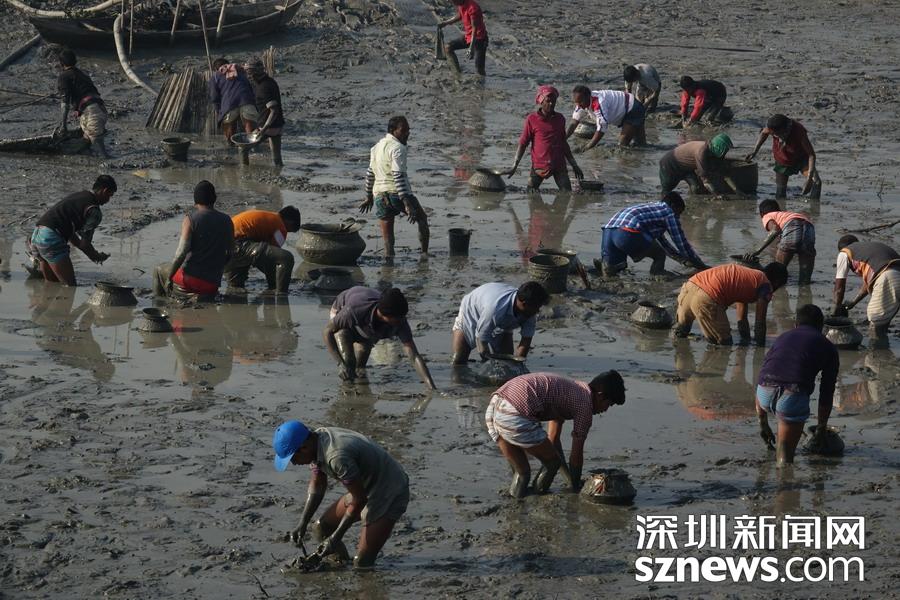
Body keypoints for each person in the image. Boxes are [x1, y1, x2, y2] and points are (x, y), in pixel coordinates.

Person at [273, 420, 409, 569]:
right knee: (321, 528)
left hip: (388, 490)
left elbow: (359, 500)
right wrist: (303, 522)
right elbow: (318, 484)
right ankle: (341, 565)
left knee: (362, 563)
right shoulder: (316, 441)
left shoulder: (336, 457)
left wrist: (335, 538)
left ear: (304, 447)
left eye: (293, 458)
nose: (294, 463)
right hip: (365, 487)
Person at [485, 371, 626, 497]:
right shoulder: (585, 405)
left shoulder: (570, 390)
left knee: (522, 473)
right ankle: (537, 498)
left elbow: (553, 441)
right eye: (609, 404)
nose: (605, 410)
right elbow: (576, 456)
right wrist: (575, 488)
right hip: (515, 413)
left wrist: (569, 481)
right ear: (600, 396)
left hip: (496, 406)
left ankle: (516, 506)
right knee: (552, 463)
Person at [755, 304, 839, 465]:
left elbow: (764, 373)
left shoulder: (783, 337)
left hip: (763, 393)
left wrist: (763, 423)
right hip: (791, 396)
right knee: (785, 455)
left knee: (770, 379)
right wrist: (821, 427)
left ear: (796, 324)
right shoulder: (828, 347)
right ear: (821, 327)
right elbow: (826, 392)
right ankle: (784, 479)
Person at [323, 286, 436, 389]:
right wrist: (340, 363)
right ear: (383, 315)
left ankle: (359, 381)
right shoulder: (354, 310)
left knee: (361, 363)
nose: (401, 322)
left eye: (402, 318)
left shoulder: (400, 321)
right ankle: (348, 388)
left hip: (369, 324)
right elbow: (327, 331)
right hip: (344, 308)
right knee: (348, 360)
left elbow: (414, 355)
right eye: (397, 319)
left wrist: (431, 386)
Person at [359, 116, 429, 258]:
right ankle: (424, 256)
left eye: (408, 130)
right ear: (393, 130)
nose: (407, 134)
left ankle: (389, 261)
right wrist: (407, 203)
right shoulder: (398, 148)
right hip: (397, 194)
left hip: (379, 196)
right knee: (422, 219)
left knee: (388, 236)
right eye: (403, 130)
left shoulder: (376, 148)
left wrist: (368, 196)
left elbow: (370, 174)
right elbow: (398, 175)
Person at [28, 175, 116, 286]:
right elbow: (85, 244)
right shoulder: (94, 211)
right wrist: (96, 257)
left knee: (51, 285)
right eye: (110, 196)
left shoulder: (80, 196)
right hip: (50, 238)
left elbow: (72, 236)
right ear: (105, 191)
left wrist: (90, 252)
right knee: (70, 287)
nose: (108, 200)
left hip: (37, 236)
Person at [674, 262, 789, 346]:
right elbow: (760, 322)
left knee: (681, 333)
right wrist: (760, 347)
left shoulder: (750, 277)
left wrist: (746, 339)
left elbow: (741, 318)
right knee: (724, 342)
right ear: (777, 282)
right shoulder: (766, 286)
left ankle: (680, 364)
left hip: (689, 286)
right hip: (707, 297)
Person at [153, 181, 234, 298]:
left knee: (159, 269)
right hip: (212, 286)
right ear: (214, 199)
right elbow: (230, 253)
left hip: (189, 281)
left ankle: (158, 304)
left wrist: (169, 278)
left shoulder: (190, 219)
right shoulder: (227, 220)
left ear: (195, 200)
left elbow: (181, 253)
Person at [599, 192, 708, 277]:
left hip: (609, 231)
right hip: (626, 233)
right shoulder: (669, 213)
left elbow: (665, 244)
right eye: (678, 213)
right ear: (673, 206)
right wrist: (699, 264)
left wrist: (682, 260)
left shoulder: (653, 211)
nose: (678, 217)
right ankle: (657, 273)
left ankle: (604, 270)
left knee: (614, 268)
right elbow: (681, 243)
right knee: (659, 254)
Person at [451, 281, 549, 364]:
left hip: (503, 321)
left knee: (506, 362)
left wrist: (516, 364)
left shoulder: (530, 312)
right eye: (536, 307)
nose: (537, 311)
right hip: (472, 310)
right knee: (459, 359)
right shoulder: (495, 309)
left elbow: (526, 341)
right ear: (524, 304)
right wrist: (487, 362)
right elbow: (481, 339)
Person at [506, 86, 584, 190]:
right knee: (531, 193)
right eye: (548, 101)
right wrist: (514, 166)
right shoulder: (532, 119)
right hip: (539, 166)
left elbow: (563, 143)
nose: (551, 104)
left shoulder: (560, 119)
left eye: (554, 101)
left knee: (567, 193)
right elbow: (523, 143)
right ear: (541, 101)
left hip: (558, 165)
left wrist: (574, 165)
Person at [832, 235, 900, 344]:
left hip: (888, 277)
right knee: (885, 318)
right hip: (894, 274)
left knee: (875, 321)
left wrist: (836, 309)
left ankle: (876, 351)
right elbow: (869, 282)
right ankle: (883, 343)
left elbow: (839, 288)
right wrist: (854, 302)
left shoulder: (845, 253)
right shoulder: (871, 249)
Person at [224, 207, 301, 293]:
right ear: (290, 222)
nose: (286, 233)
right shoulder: (280, 226)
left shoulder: (268, 217)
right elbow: (272, 259)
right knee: (286, 258)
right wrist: (277, 281)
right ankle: (281, 294)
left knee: (236, 287)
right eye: (289, 230)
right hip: (238, 245)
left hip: (224, 248)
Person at [745, 114, 821, 200]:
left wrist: (809, 179)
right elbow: (763, 133)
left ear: (787, 129)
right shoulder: (772, 127)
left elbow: (811, 155)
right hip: (782, 159)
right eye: (775, 135)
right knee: (780, 191)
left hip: (801, 158)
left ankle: (814, 206)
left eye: (779, 134)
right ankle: (780, 206)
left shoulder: (798, 130)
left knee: (816, 182)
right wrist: (754, 151)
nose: (778, 137)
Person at [743, 200, 816, 284]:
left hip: (792, 225)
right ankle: (804, 290)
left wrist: (757, 250)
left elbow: (775, 230)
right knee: (805, 280)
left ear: (761, 214)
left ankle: (778, 289)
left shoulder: (767, 216)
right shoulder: (785, 215)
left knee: (777, 272)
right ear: (779, 209)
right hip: (809, 227)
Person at [54, 49, 109, 158]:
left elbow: (65, 103)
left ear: (61, 63)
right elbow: (87, 92)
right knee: (86, 143)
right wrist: (78, 110)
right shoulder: (83, 74)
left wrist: (63, 126)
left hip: (92, 112)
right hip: (100, 109)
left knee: (101, 151)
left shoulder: (64, 76)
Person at [658, 134, 743, 195]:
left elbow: (725, 173)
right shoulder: (701, 153)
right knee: (667, 191)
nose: (726, 152)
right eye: (725, 150)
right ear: (719, 148)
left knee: (696, 188)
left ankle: (692, 202)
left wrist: (737, 191)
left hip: (686, 168)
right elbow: (705, 178)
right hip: (670, 165)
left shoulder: (712, 151)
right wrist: (716, 194)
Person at [566, 85, 647, 149]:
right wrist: (563, 139)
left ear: (588, 96)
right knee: (641, 145)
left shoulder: (599, 103)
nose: (579, 105)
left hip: (633, 109)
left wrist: (588, 146)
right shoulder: (581, 104)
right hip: (628, 107)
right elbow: (574, 122)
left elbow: (602, 128)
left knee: (622, 145)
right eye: (576, 102)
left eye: (580, 102)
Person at [244, 58, 285, 166]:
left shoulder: (263, 87)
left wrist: (263, 129)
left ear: (254, 73)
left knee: (243, 148)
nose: (248, 76)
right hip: (278, 125)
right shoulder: (270, 81)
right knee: (276, 157)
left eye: (249, 73)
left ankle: (245, 172)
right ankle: (278, 171)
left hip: (268, 127)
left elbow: (274, 110)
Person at [208, 58, 258, 146]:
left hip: (229, 104)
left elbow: (214, 97)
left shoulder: (215, 76)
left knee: (229, 127)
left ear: (216, 69)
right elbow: (251, 88)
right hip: (247, 100)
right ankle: (252, 147)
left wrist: (220, 112)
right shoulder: (240, 72)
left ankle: (231, 147)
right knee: (250, 130)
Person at [437, 0, 488, 77]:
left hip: (479, 39)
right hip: (468, 36)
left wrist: (471, 48)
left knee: (479, 69)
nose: (453, 3)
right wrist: (446, 22)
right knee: (448, 48)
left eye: (453, 1)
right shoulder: (461, 4)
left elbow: (475, 29)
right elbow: (460, 15)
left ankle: (482, 82)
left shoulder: (473, 8)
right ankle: (457, 73)